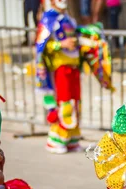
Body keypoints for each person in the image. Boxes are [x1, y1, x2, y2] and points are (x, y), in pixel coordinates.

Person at [36, 0, 82, 154]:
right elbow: (41, 46)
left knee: (75, 102)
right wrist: (61, 45)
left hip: (73, 68)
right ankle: (56, 139)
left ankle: (71, 139)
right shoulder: (48, 19)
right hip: (59, 70)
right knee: (64, 103)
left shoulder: (69, 19)